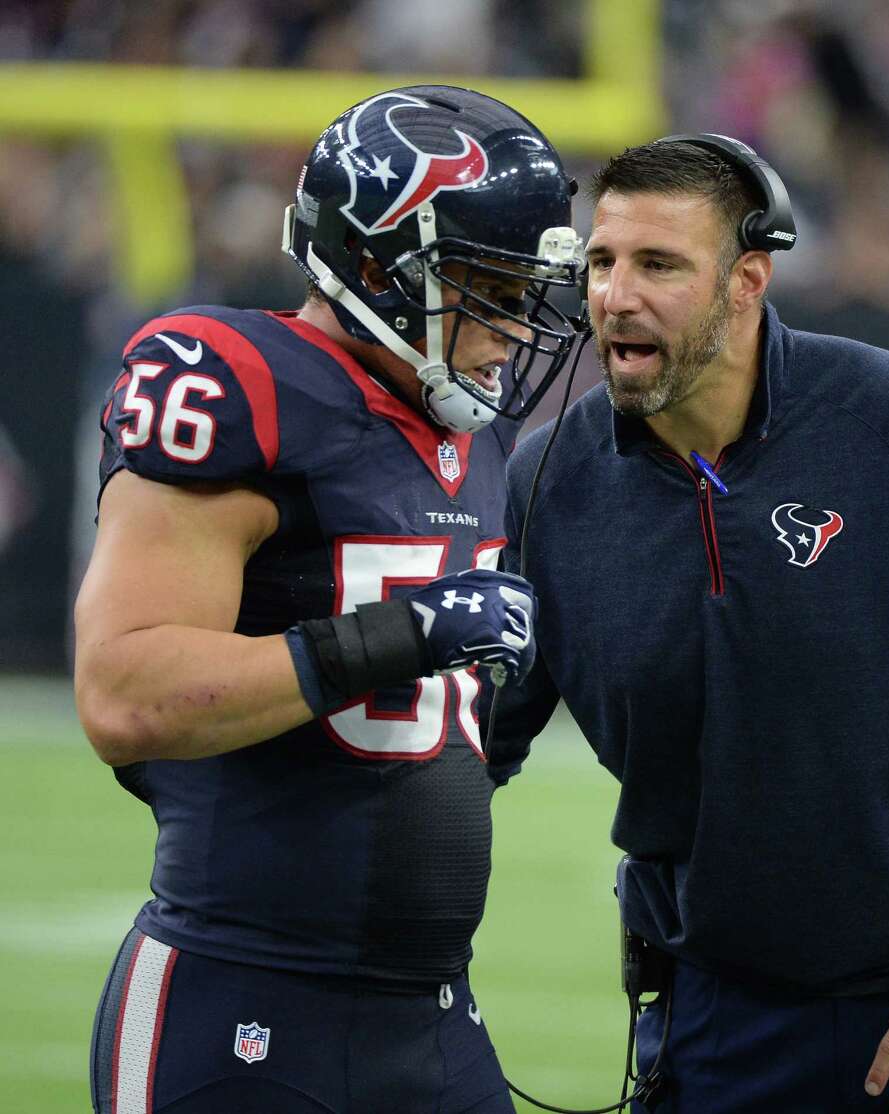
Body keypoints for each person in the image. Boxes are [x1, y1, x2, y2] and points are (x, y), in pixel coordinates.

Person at [490, 135, 889, 1114]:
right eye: (601, 261)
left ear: (747, 280)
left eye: (658, 264)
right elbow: (471, 737)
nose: (613, 295)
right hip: (717, 1012)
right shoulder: (546, 482)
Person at [74, 85, 584, 1114]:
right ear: (373, 266)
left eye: (525, 291)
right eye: (483, 284)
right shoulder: (239, 377)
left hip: (433, 1017)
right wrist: (410, 634)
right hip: (240, 1002)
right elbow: (123, 693)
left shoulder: (470, 433)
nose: (513, 324)